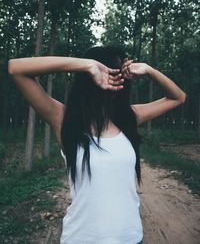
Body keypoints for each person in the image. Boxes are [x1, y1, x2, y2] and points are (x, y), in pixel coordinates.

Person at [8, 46, 186, 244]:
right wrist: (86, 65)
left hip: (131, 238)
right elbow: (16, 68)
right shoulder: (64, 120)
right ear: (89, 80)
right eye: (110, 73)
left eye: (120, 75)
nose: (116, 81)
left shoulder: (129, 117)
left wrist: (148, 70)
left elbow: (178, 97)